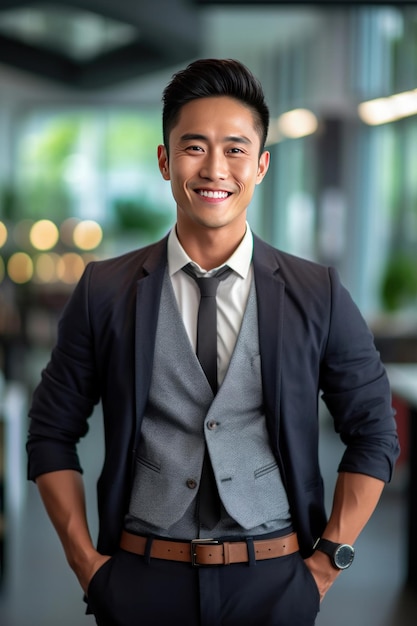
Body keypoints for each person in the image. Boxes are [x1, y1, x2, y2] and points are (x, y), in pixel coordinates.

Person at [27, 58, 399, 626]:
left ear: (262, 164)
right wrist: (87, 565)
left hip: (274, 583)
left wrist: (325, 566)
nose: (215, 168)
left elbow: (373, 431)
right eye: (194, 147)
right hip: (140, 581)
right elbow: (51, 430)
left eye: (235, 149)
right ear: (164, 159)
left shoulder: (316, 291)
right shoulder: (104, 290)